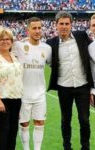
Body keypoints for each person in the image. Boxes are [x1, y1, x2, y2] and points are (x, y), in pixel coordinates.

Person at [46, 11, 93, 150]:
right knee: (65, 120)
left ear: (71, 25)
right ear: (56, 25)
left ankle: (85, 147)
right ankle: (67, 146)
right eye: (61, 24)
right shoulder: (50, 43)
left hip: (82, 86)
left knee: (84, 120)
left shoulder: (81, 36)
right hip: (63, 87)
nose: (64, 27)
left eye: (67, 24)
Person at [12, 17, 51, 150]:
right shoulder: (18, 46)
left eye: (39, 28)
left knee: (40, 122)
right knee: (24, 124)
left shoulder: (47, 48)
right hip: (23, 93)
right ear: (28, 29)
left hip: (40, 93)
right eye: (34, 28)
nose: (37, 31)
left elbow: (53, 65)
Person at [0, 26, 23, 150]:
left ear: (12, 42)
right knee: (3, 134)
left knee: (13, 133)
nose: (5, 41)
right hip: (2, 100)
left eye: (7, 39)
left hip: (16, 100)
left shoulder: (14, 57)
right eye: (1, 39)